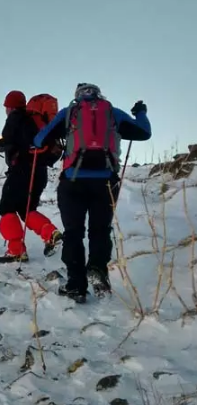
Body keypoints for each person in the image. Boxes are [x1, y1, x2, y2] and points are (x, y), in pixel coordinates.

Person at [33, 83, 151, 303]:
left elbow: (40, 139)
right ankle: (97, 269)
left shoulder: (70, 112)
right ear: (99, 94)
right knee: (100, 230)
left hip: (73, 182)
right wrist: (140, 112)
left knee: (73, 233)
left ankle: (76, 285)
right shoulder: (113, 112)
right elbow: (144, 133)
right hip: (106, 182)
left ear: (78, 96)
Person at [0, 90, 64, 264]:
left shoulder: (16, 118)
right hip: (40, 170)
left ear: (10, 106)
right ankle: (51, 234)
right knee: (27, 210)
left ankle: (16, 251)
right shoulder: (36, 122)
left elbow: (8, 142)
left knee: (6, 208)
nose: (6, 110)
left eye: (6, 107)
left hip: (21, 170)